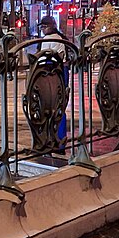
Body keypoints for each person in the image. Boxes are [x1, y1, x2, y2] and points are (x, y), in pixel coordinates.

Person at [38, 15, 68, 150]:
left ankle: (49, 141)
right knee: (60, 108)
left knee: (48, 108)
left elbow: (42, 58)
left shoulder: (47, 39)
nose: (43, 30)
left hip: (50, 75)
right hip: (62, 74)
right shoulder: (61, 38)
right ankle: (60, 141)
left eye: (44, 27)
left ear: (49, 27)